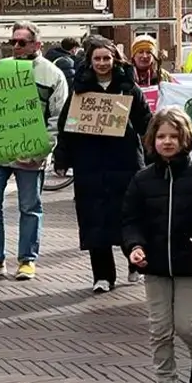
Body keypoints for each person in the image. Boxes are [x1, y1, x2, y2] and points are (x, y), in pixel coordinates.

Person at [122, 107, 192, 383]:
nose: (167, 142)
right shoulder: (141, 180)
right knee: (160, 330)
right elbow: (130, 220)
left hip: (188, 264)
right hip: (153, 266)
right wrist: (134, 246)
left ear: (185, 139)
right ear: (153, 140)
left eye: (174, 136)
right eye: (161, 136)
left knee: (185, 325)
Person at [0, 21, 69, 281]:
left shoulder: (52, 75)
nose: (15, 46)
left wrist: (41, 150)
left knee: (29, 206)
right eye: (13, 41)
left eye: (22, 42)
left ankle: (27, 260)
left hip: (30, 155)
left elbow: (58, 118)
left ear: (37, 44)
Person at [54, 36, 152, 293]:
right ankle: (103, 276)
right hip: (91, 163)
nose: (102, 63)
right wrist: (61, 158)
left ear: (114, 59)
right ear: (90, 60)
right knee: (94, 218)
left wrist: (156, 155)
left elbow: (146, 122)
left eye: (106, 58)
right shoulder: (80, 88)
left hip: (125, 160)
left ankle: (135, 264)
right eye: (97, 58)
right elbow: (67, 126)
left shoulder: (128, 87)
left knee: (129, 216)